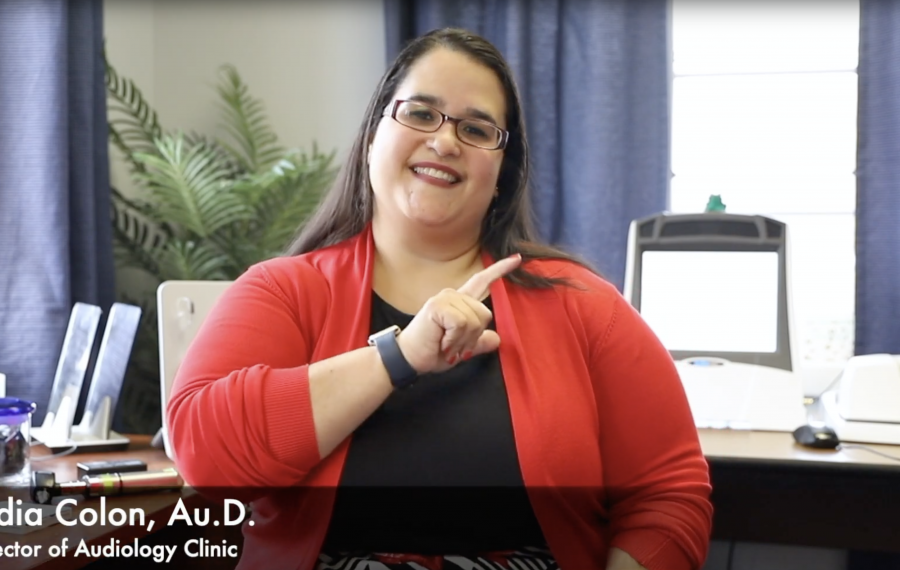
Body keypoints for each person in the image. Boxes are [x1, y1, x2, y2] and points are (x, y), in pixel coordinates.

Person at [167, 27, 713, 570]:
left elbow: (669, 494)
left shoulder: (584, 306)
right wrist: (398, 357)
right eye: (421, 114)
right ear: (372, 136)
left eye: (476, 128)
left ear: (503, 172)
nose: (446, 141)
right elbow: (204, 458)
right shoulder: (283, 290)